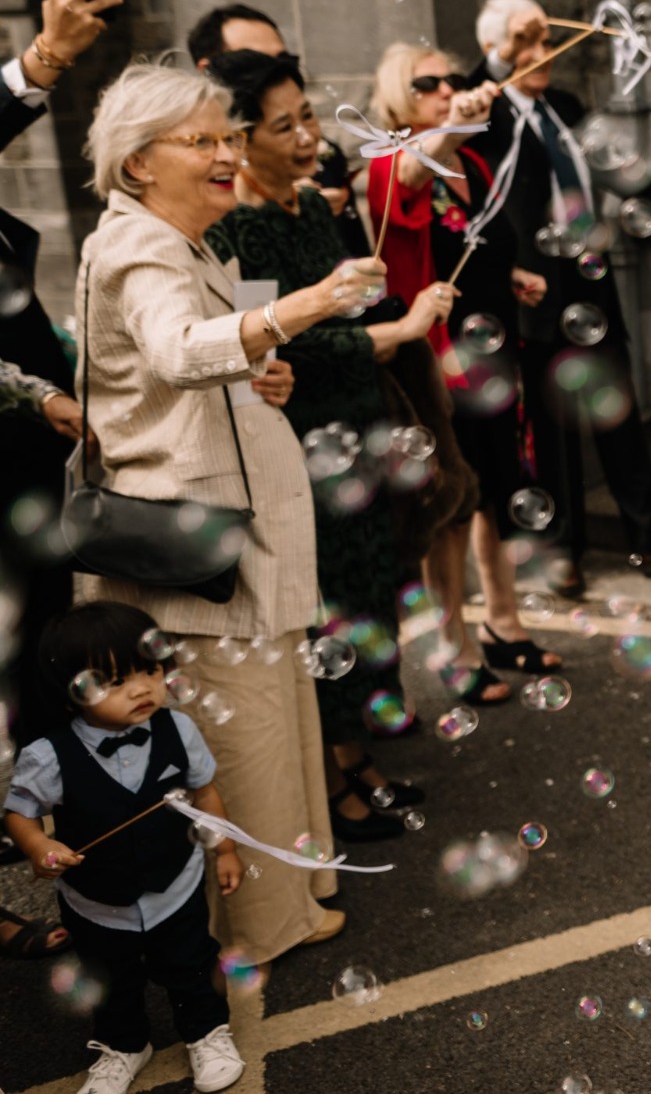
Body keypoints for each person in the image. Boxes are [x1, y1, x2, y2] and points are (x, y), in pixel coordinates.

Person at [78, 62, 381, 961]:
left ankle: (298, 894)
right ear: (138, 163)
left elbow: (203, 364)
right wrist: (310, 305)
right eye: (201, 140)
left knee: (272, 718)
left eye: (226, 137)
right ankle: (260, 922)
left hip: (243, 535)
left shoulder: (191, 239)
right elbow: (175, 349)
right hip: (197, 547)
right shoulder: (138, 245)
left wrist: (263, 373)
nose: (225, 154)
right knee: (240, 739)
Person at [204, 49, 468, 845]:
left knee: (373, 596)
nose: (308, 135)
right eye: (283, 125)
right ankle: (336, 770)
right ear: (239, 140)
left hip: (362, 436)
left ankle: (359, 755)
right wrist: (401, 328)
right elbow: (280, 355)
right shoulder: (241, 231)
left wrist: (368, 301)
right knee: (333, 616)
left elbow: (337, 317)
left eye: (309, 115)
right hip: (307, 451)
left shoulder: (313, 210)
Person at [464, 0, 651, 600]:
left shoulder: (564, 106)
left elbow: (616, 167)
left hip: (588, 284)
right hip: (534, 290)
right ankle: (560, 553)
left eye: (547, 40)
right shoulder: (482, 112)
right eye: (527, 41)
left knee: (619, 416)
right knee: (553, 433)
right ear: (497, 50)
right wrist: (490, 76)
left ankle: (650, 537)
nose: (543, 54)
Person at [364, 41, 564, 685]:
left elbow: (476, 244)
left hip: (491, 352)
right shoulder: (390, 160)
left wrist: (512, 276)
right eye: (428, 83)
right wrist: (452, 125)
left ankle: (503, 622)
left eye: (452, 79)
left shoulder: (472, 160)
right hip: (432, 362)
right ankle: (455, 648)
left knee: (500, 493)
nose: (447, 89)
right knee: (449, 505)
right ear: (398, 93)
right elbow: (413, 181)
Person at [0, 0, 121, 961]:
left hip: (23, 467)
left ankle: (50, 837)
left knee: (37, 650)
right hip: (12, 443)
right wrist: (37, 61)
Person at [4, 601, 247, 1094]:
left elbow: (205, 793)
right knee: (109, 981)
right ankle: (125, 1045)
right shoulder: (47, 755)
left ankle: (206, 1033)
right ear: (70, 691)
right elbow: (20, 813)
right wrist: (38, 846)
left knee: (192, 965)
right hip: (96, 903)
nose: (142, 688)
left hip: (175, 886)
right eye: (115, 681)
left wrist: (224, 850)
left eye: (150, 671)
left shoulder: (178, 729)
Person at [185, 4, 354, 228]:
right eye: (254, 59)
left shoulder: (325, 157)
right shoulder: (202, 181)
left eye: (281, 59)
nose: (274, 71)